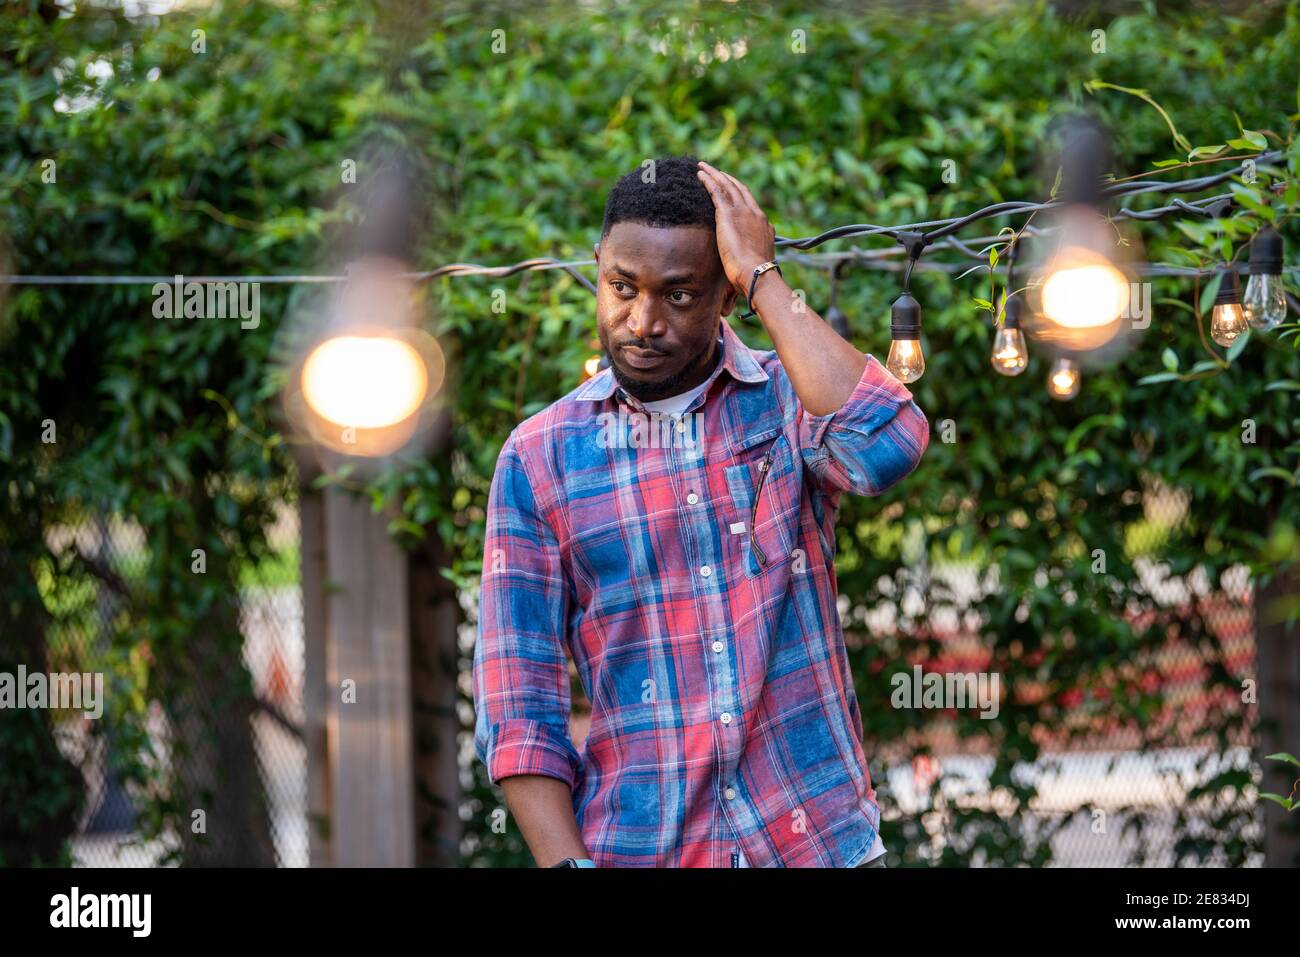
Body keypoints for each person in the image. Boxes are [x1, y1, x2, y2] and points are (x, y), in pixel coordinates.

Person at [473, 156, 929, 867]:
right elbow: (518, 699)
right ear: (598, 266)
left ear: (723, 294)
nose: (642, 321)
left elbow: (888, 443)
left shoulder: (786, 401)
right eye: (621, 287)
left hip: (818, 845)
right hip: (645, 850)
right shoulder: (541, 458)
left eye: (680, 295)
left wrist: (764, 277)